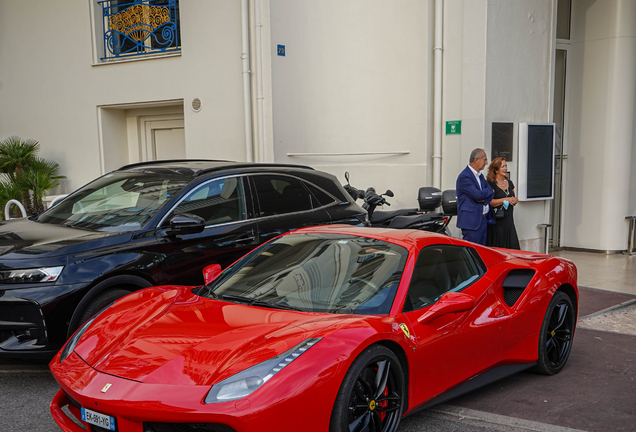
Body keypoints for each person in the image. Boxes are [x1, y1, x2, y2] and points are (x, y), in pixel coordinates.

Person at [456, 148, 494, 245]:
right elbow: (477, 195)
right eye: (484, 159)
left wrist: (484, 198)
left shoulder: (480, 176)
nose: (486, 163)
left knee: (482, 252)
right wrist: (484, 194)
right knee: (472, 252)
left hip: (483, 220)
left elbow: (491, 191)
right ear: (476, 160)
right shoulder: (465, 176)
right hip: (471, 222)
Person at [486, 157, 520, 249]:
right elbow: (490, 202)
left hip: (509, 221)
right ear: (496, 170)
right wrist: (506, 200)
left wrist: (514, 200)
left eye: (506, 166)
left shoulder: (510, 182)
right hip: (497, 223)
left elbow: (512, 197)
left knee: (513, 248)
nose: (505, 168)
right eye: (502, 166)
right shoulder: (491, 184)